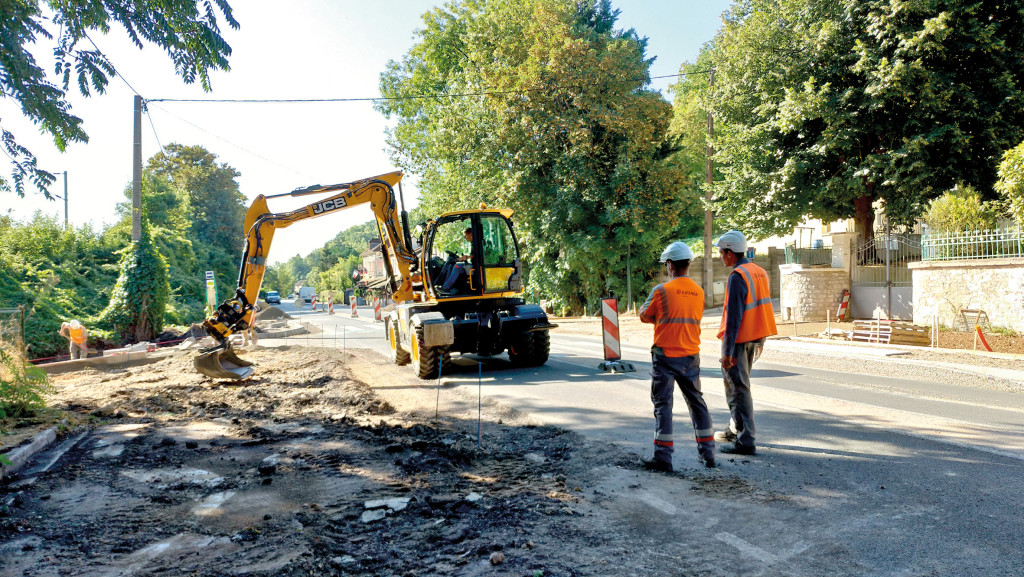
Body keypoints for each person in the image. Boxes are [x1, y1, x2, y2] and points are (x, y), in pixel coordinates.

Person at [638, 242, 716, 472]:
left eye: (666, 264)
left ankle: (663, 457)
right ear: (688, 264)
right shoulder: (699, 292)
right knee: (697, 403)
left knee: (663, 405)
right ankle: (708, 454)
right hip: (691, 355)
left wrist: (660, 320)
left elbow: (644, 315)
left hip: (665, 356)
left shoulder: (661, 291)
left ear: (671, 264)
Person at [714, 230, 778, 456]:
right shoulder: (758, 271)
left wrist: (728, 352)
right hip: (756, 337)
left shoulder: (737, 276)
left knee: (738, 389)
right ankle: (734, 429)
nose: (720, 256)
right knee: (739, 386)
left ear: (730, 253)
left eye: (721, 252)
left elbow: (733, 318)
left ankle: (746, 440)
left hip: (739, 340)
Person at [440, 227, 475, 293]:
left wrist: (466, 257)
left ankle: (446, 287)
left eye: (465, 235)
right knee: (451, 265)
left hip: (476, 266)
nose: (465, 237)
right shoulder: (473, 243)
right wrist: (461, 258)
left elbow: (476, 255)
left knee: (457, 267)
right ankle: (445, 286)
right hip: (472, 265)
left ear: (471, 234)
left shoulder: (476, 243)